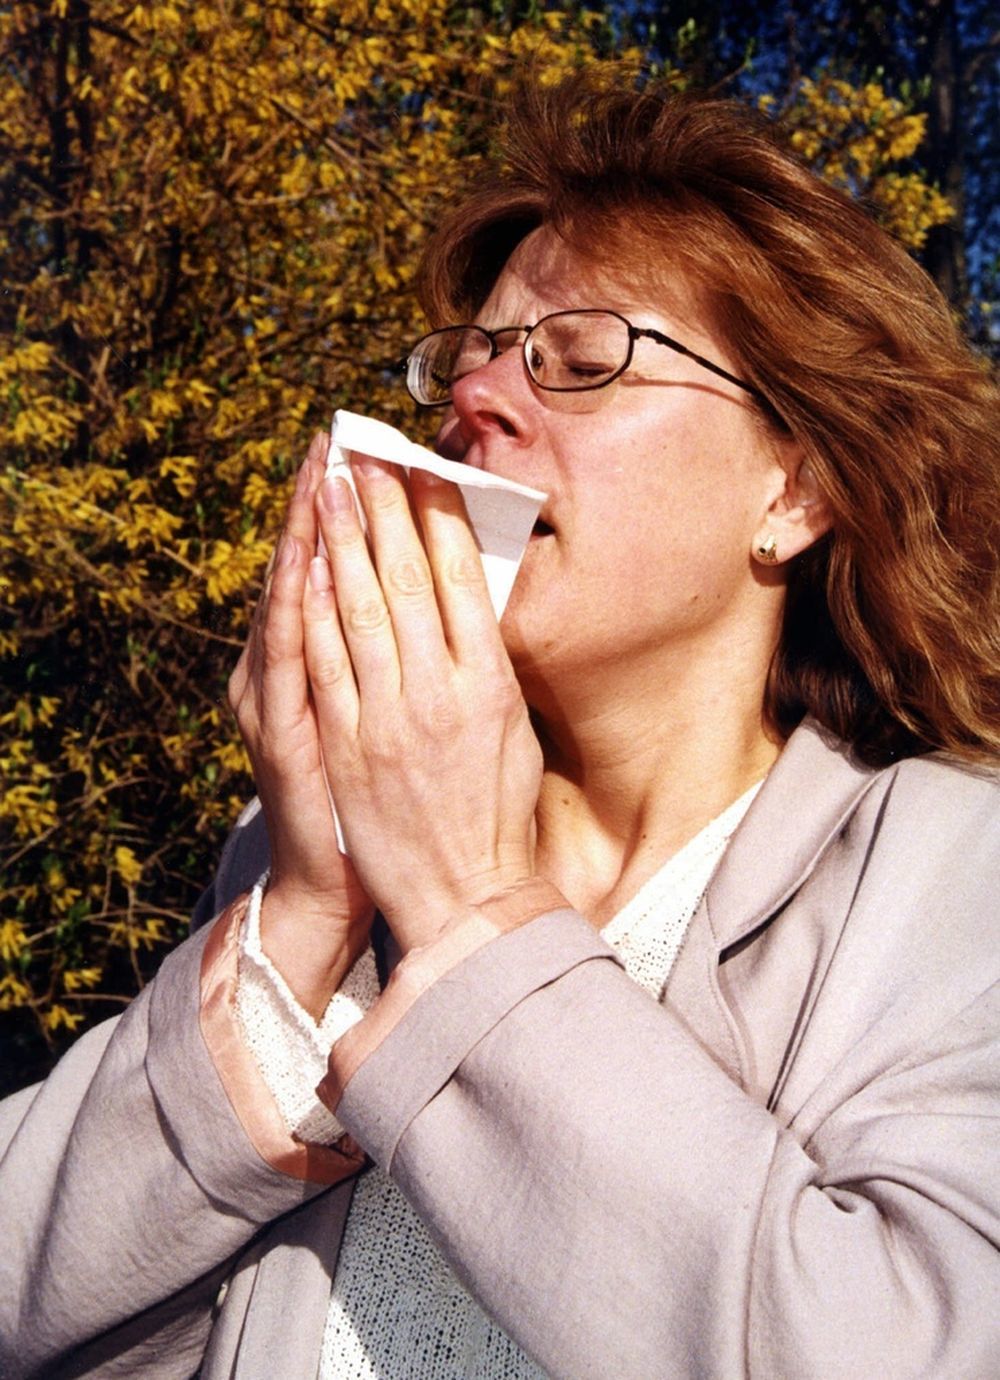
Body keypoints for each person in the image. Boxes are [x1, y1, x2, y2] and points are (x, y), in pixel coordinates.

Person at [2, 72, 998, 1380]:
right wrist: (302, 912)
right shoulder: (327, 858)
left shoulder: (948, 872)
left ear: (795, 487)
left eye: (582, 360)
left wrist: (474, 908)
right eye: (464, 362)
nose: (479, 399)